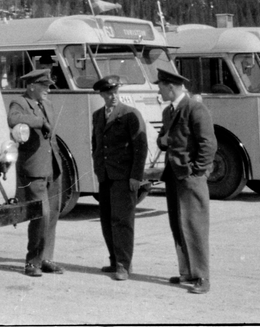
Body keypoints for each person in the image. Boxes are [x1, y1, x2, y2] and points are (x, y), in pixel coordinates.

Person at [155, 68, 217, 294]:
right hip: (173, 175)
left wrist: (197, 171)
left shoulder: (195, 108)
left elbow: (208, 144)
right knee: (178, 225)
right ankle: (187, 272)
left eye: (160, 87)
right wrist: (163, 141)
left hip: (190, 177)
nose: (159, 92)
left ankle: (202, 277)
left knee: (195, 226)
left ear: (171, 87)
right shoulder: (169, 111)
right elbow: (163, 138)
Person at [90, 75, 147, 281]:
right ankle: (114, 260)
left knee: (122, 221)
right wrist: (98, 168)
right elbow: (96, 143)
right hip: (105, 176)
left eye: (115, 92)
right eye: (108, 93)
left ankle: (124, 264)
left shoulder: (130, 114)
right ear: (102, 95)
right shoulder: (98, 115)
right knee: (107, 221)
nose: (113, 96)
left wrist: (136, 176)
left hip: (124, 177)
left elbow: (140, 147)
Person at [8, 68, 63, 277]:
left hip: (53, 167)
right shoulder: (20, 103)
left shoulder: (47, 104)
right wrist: (39, 122)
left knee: (52, 215)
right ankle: (32, 262)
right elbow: (13, 119)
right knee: (42, 215)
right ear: (31, 86)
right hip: (34, 169)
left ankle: (46, 258)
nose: (48, 89)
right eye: (44, 86)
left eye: (49, 86)